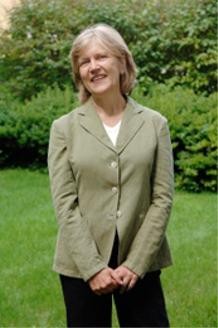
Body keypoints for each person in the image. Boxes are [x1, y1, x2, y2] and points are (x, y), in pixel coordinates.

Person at [48, 23, 174, 328]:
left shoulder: (155, 124)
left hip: (139, 258)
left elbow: (162, 197)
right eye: (84, 61)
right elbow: (65, 203)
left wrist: (136, 263)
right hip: (81, 263)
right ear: (78, 73)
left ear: (122, 62)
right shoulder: (64, 128)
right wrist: (93, 268)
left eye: (101, 57)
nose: (93, 67)